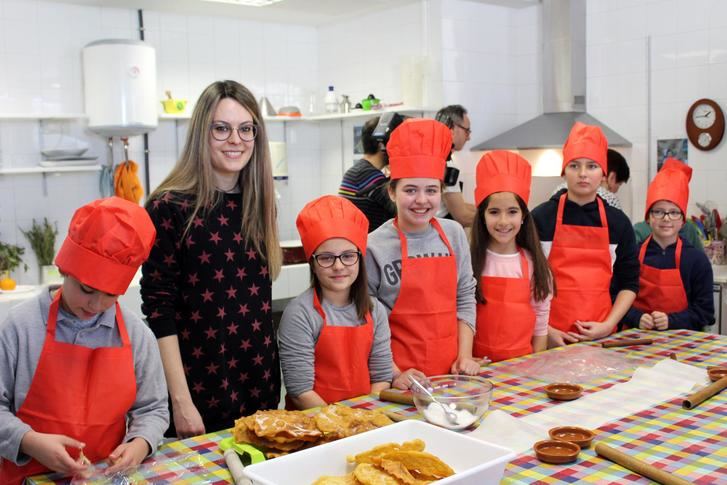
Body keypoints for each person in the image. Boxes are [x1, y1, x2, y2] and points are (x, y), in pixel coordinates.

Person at [141, 80, 282, 438]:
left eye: (246, 129)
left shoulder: (262, 203)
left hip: (259, 386)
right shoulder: (168, 207)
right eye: (221, 128)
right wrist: (181, 402)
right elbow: (159, 312)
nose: (235, 140)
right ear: (201, 134)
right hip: (198, 392)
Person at [0, 197, 168, 484]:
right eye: (87, 289)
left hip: (101, 477)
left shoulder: (137, 335)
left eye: (111, 294)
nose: (96, 305)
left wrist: (140, 444)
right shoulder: (20, 327)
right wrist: (29, 440)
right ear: (66, 269)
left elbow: (153, 409)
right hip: (24, 476)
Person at [366, 118, 479, 389]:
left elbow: (465, 297)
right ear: (392, 192)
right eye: (410, 190)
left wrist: (464, 356)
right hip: (401, 380)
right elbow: (368, 319)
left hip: (453, 376)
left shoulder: (453, 234)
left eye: (431, 190)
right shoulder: (373, 245)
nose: (421, 200)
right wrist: (394, 374)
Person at [279, 196, 392, 409]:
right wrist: (339, 424)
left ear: (360, 258)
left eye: (348, 256)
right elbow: (300, 390)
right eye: (326, 257)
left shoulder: (375, 310)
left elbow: (382, 376)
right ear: (313, 263)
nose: (338, 266)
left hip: (364, 418)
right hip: (313, 424)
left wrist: (365, 418)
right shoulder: (300, 314)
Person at [532, 122, 639, 347]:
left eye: (591, 166)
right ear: (564, 171)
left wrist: (609, 325)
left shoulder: (618, 223)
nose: (582, 174)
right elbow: (524, 281)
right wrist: (546, 330)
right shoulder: (541, 218)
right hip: (549, 337)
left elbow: (629, 284)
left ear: (603, 173)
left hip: (601, 336)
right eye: (574, 166)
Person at [470, 151, 553, 362]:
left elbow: (541, 320)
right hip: (476, 367)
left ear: (524, 215)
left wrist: (537, 362)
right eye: (494, 212)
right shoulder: (468, 262)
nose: (503, 221)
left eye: (512, 212)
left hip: (521, 366)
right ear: (482, 215)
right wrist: (464, 358)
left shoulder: (534, 264)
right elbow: (459, 316)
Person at [622, 159, 714, 331]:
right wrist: (637, 317)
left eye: (673, 212)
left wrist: (672, 321)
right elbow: (615, 297)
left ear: (682, 221)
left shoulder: (696, 260)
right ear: (648, 218)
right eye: (658, 211)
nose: (666, 218)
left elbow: (706, 312)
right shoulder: (633, 255)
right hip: (638, 341)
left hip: (684, 344)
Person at [339, 116, 396, 232]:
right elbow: (401, 209)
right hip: (368, 246)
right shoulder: (368, 175)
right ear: (382, 145)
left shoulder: (358, 171)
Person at [434, 105, 476, 227]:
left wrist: (486, 209)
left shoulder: (435, 158)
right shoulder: (447, 165)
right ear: (452, 128)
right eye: (467, 131)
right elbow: (462, 217)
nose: (468, 137)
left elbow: (455, 204)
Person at [551, 148, 630, 210]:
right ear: (611, 177)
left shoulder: (558, 190)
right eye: (619, 184)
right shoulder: (611, 199)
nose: (583, 174)